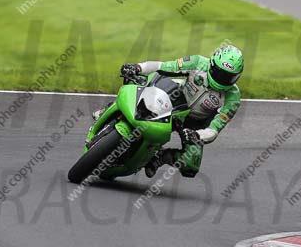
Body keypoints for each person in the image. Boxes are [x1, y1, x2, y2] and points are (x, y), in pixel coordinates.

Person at [93, 43, 244, 178]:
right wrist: (138, 67)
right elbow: (164, 66)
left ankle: (160, 157)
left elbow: (215, 129)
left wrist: (197, 135)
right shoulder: (197, 62)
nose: (223, 80)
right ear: (211, 65)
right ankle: (110, 109)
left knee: (191, 166)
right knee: (142, 81)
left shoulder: (233, 98)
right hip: (176, 98)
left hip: (195, 124)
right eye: (220, 73)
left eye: (229, 77)